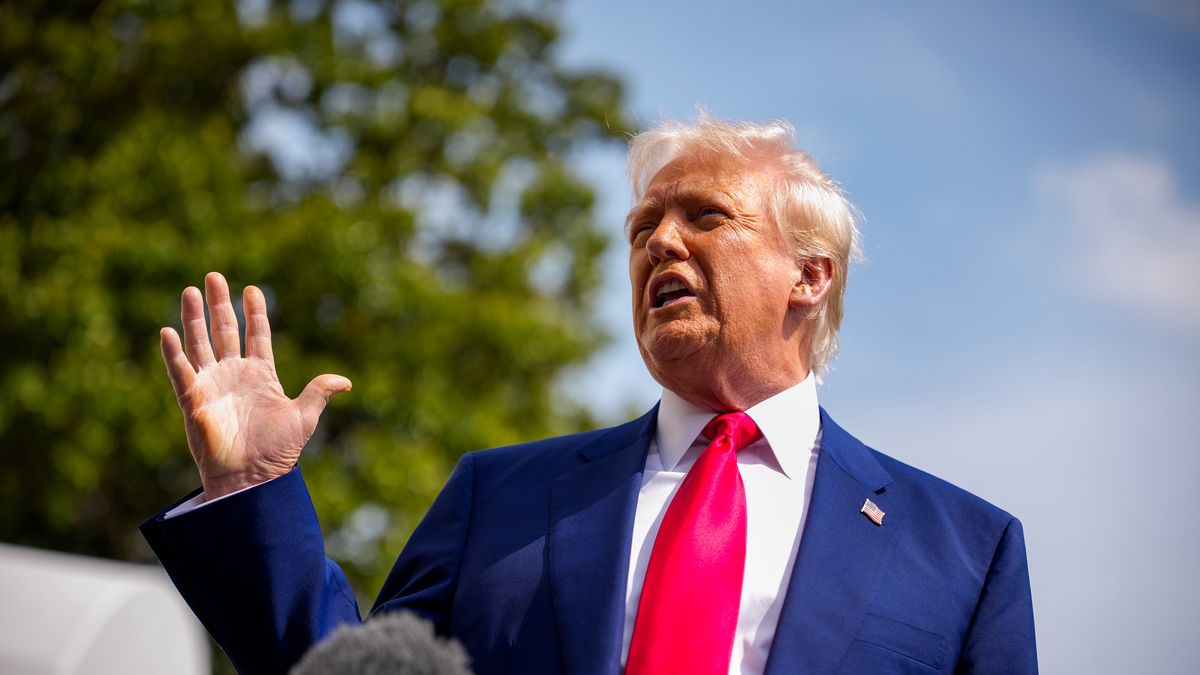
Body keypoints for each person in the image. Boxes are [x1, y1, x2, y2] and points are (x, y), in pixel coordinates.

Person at [142, 117, 1037, 674]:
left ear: (810, 274)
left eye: (705, 216)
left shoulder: (965, 550)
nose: (659, 243)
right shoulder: (498, 497)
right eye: (643, 227)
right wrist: (254, 486)